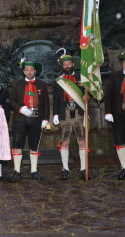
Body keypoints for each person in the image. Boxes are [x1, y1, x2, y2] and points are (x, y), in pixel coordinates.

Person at [10, 60, 49, 182]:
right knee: (17, 145)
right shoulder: (17, 84)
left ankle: (34, 170)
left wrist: (46, 119)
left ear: (35, 71)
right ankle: (17, 171)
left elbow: (46, 104)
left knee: (34, 145)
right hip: (20, 119)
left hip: (36, 119)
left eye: (31, 69)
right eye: (27, 70)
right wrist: (21, 108)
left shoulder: (42, 85)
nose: (29, 72)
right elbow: (11, 101)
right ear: (23, 71)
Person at [52, 51, 87, 180]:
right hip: (64, 113)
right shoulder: (58, 81)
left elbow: (88, 96)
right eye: (64, 64)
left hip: (78, 112)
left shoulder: (82, 78)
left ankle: (83, 169)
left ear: (73, 64)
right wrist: (55, 114)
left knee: (81, 141)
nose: (67, 66)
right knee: (65, 141)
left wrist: (86, 107)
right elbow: (56, 99)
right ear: (62, 66)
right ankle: (65, 169)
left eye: (69, 64)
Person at [105, 51, 125, 179]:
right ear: (122, 64)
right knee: (119, 140)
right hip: (118, 113)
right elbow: (108, 95)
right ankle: (124, 167)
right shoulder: (115, 76)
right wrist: (108, 112)